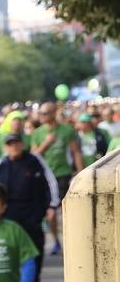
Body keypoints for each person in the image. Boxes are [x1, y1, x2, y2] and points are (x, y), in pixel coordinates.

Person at [0, 133, 58, 282]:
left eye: (16, 143)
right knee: (10, 249)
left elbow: (50, 182)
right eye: (10, 144)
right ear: (5, 147)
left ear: (22, 144)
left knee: (35, 247)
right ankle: (14, 280)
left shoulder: (35, 161)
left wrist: (52, 206)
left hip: (32, 213)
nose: (13, 147)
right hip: (8, 215)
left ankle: (35, 279)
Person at [30, 102, 81, 254]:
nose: (42, 117)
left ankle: (71, 240)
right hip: (46, 176)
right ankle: (57, 241)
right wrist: (46, 143)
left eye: (45, 113)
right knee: (50, 213)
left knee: (67, 210)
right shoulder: (38, 133)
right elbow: (34, 156)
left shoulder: (67, 130)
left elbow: (76, 152)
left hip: (63, 174)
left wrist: (80, 173)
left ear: (53, 113)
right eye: (40, 114)